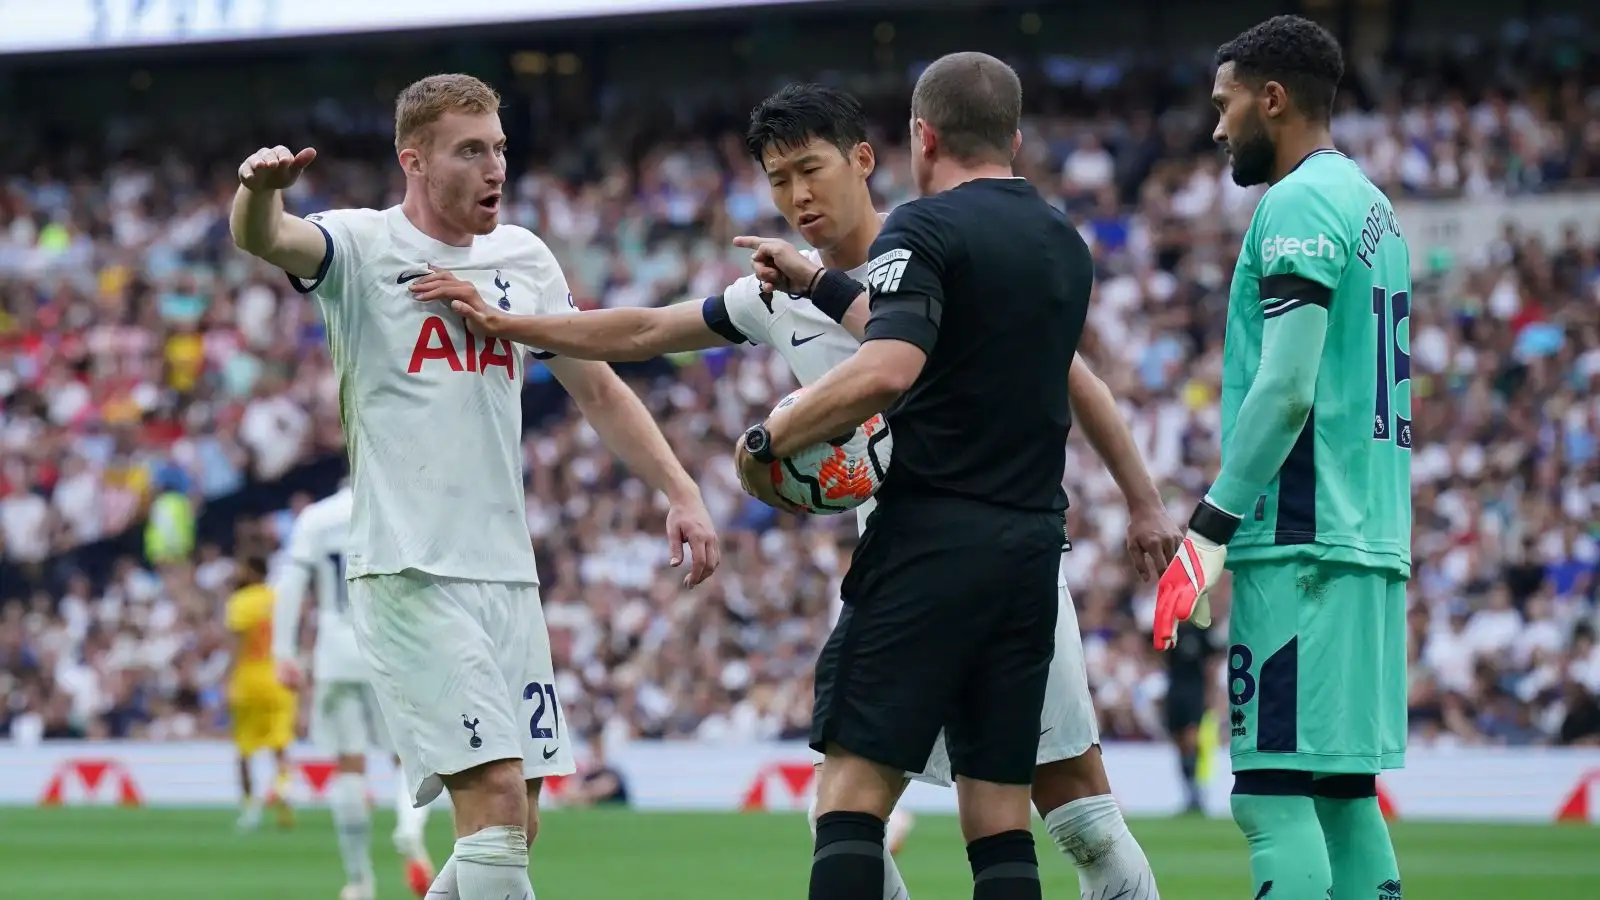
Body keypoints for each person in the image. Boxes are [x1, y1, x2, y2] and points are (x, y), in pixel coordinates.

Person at [431, 82, 1176, 900]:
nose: (797, 196)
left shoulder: (934, 247)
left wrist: (1143, 500)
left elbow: (1074, 381)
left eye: (811, 170)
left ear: (865, 159)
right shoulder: (772, 294)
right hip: (916, 556)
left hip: (976, 550)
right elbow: (643, 329)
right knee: (872, 810)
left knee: (1080, 816)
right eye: (778, 179)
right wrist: (518, 326)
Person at [228, 73, 721, 900]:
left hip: (506, 573)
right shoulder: (361, 245)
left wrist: (681, 488)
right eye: (471, 151)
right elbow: (267, 239)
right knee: (491, 807)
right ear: (413, 160)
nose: (496, 167)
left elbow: (596, 386)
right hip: (412, 570)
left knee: (518, 822)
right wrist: (256, 193)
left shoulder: (522, 258)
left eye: (499, 148)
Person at [719, 54, 1092, 900]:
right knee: (998, 816)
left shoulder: (921, 230)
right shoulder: (1061, 241)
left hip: (929, 541)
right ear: (1015, 138)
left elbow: (887, 368)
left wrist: (767, 438)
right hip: (1032, 547)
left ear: (920, 138)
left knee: (849, 801)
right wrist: (818, 279)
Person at [1152, 16, 1411, 900]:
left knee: (1270, 798)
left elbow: (1286, 385)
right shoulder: (1375, 208)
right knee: (1342, 796)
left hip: (1301, 545)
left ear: (1272, 99)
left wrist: (1209, 527)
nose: (1217, 127)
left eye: (1225, 106)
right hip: (1369, 541)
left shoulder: (1295, 203)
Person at [270, 482, 439, 900]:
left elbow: (291, 586)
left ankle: (360, 880)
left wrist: (283, 651)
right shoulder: (402, 507)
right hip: (389, 645)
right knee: (412, 756)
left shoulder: (317, 518)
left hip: (335, 651)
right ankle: (408, 829)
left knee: (348, 766)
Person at [224, 555, 296, 832]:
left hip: (248, 681)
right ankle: (285, 792)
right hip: (277, 679)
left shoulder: (239, 603)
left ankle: (249, 809)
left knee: (244, 748)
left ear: (253, 570)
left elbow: (236, 645)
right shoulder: (277, 599)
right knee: (280, 744)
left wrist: (227, 679)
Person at [1164, 620, 1222, 814]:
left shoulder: (1202, 631)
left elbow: (1212, 662)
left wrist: (1211, 693)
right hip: (1174, 691)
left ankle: (1196, 794)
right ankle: (1189, 794)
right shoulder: (1171, 630)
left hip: (1194, 692)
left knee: (1191, 739)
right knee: (1179, 742)